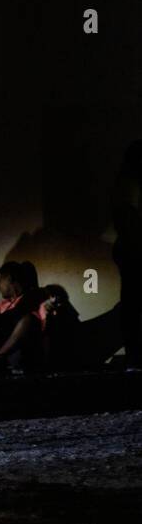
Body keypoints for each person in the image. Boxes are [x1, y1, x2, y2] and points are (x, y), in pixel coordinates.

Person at [111, 141, 142, 368]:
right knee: (133, 305)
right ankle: (135, 355)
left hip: (130, 250)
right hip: (133, 251)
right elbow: (127, 219)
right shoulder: (130, 185)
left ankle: (135, 355)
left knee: (132, 304)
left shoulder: (127, 184)